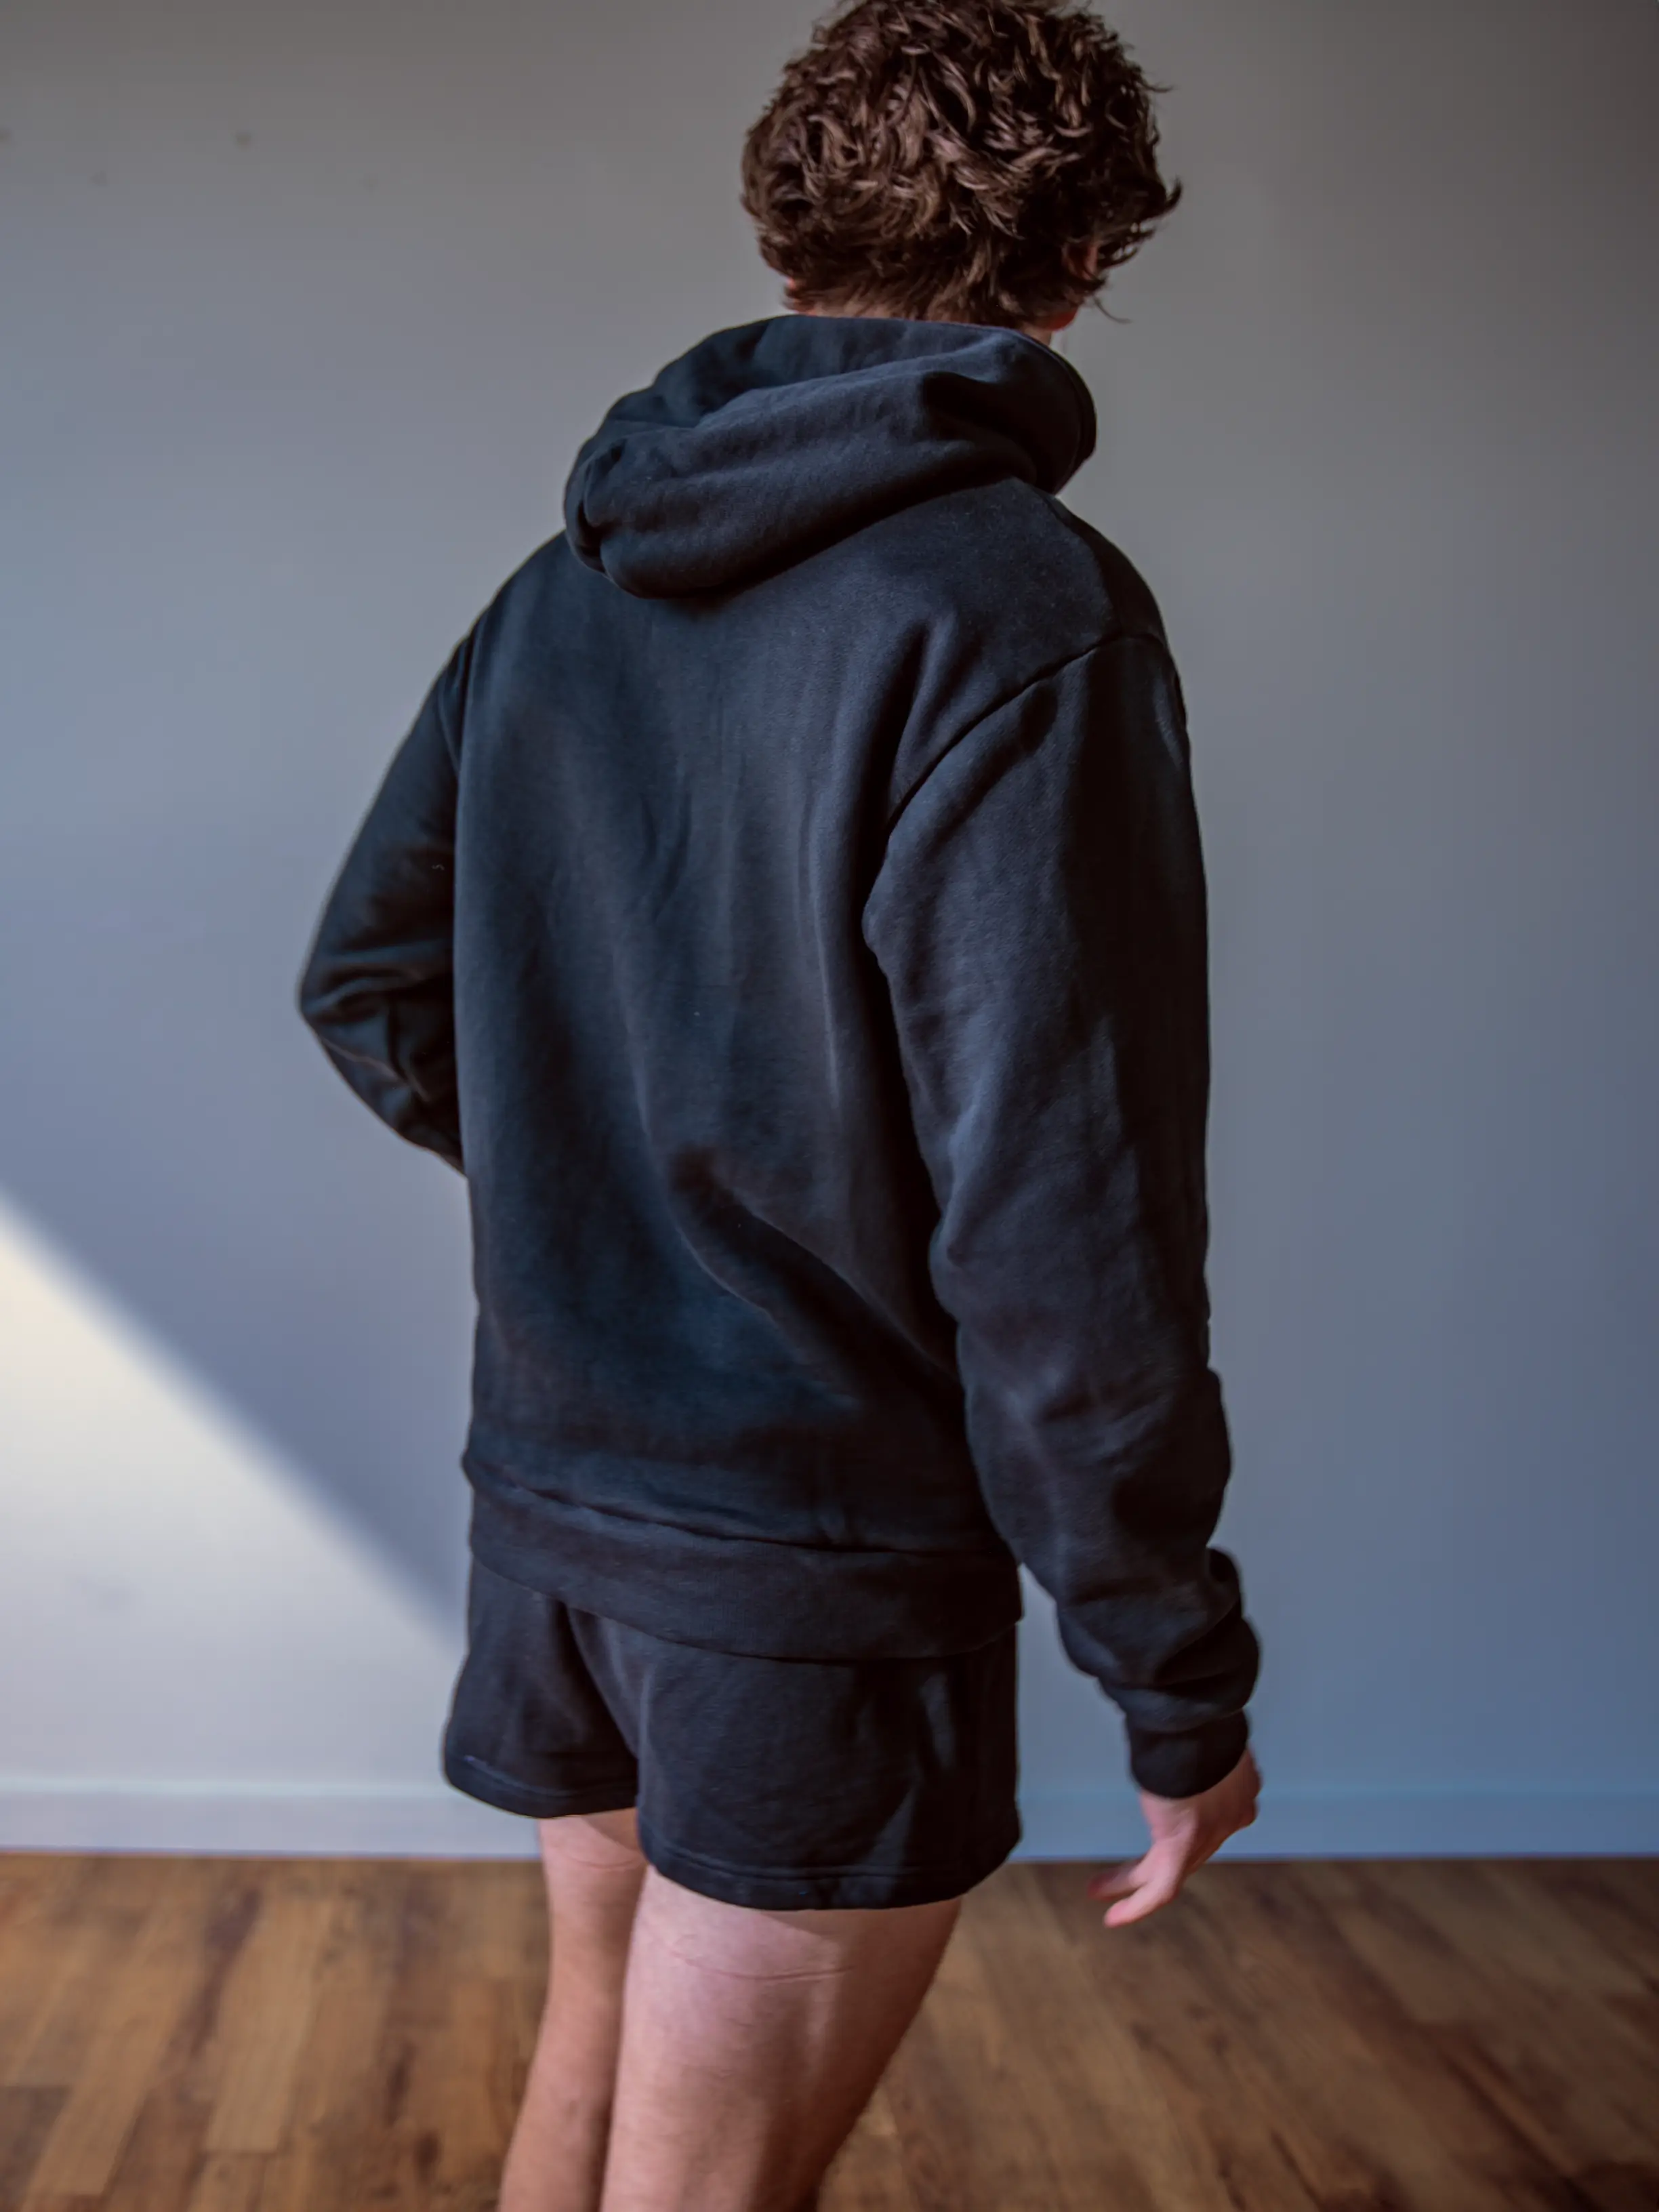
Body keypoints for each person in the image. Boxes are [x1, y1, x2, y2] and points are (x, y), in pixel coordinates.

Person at [298, 1, 1261, 2204]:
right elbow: (1064, 1211)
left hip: (556, 1499)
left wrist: (616, 1184)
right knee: (713, 2179)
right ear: (1079, 262)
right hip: (815, 1561)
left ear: (785, 228)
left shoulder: (561, 593)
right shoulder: (1026, 614)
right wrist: (1172, 1666)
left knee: (591, 2078)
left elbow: (369, 982)